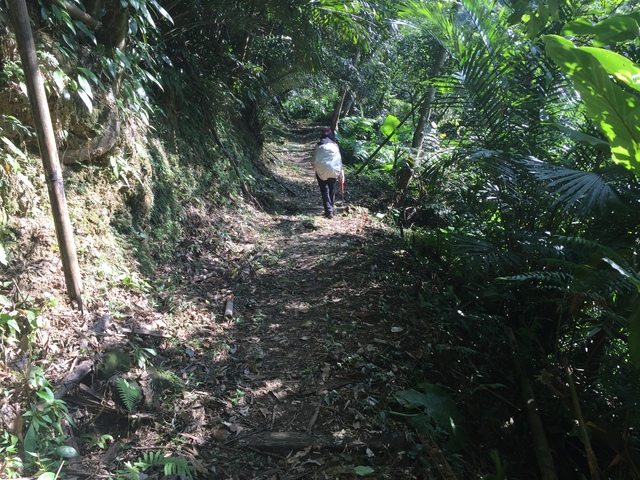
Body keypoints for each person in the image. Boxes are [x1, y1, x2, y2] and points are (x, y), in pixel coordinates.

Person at [311, 127, 343, 218]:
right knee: (332, 188)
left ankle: (329, 211)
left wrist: (313, 164)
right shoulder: (335, 145)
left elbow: (313, 160)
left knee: (324, 190)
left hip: (321, 170)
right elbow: (339, 159)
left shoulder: (318, 146)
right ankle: (331, 209)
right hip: (334, 169)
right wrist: (341, 172)